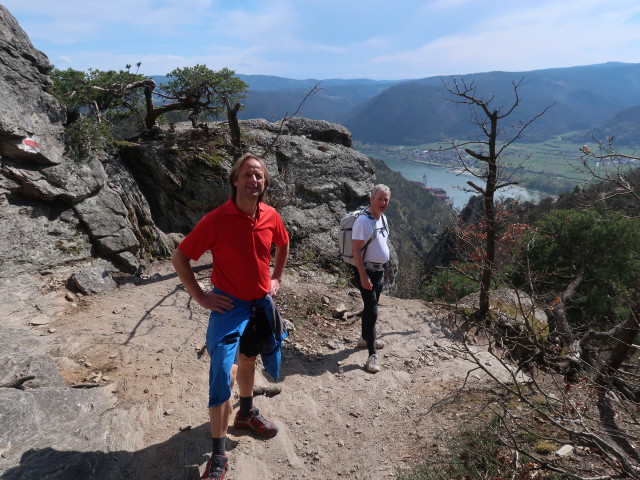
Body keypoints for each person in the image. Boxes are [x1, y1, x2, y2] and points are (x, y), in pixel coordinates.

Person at [171, 153, 289, 480]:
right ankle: (219, 454)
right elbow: (180, 257)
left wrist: (275, 278)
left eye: (260, 177)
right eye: (248, 175)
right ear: (235, 180)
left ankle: (246, 413)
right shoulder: (216, 219)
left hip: (259, 304)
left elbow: (283, 243)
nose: (254, 181)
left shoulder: (270, 215)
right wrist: (200, 295)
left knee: (249, 359)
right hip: (229, 306)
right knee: (223, 373)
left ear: (265, 185)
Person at [351, 184, 391, 373]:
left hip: (379, 272)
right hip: (366, 272)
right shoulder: (363, 221)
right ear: (371, 199)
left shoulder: (382, 218)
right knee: (373, 311)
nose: (383, 203)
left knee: (370, 309)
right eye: (380, 199)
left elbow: (382, 244)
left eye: (386, 199)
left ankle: (365, 338)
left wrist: (385, 268)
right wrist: (363, 274)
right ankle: (371, 355)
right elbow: (356, 250)